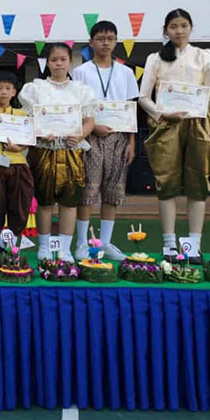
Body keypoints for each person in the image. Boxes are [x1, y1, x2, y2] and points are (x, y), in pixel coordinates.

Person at [139, 9, 210, 262]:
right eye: (173, 26)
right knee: (167, 183)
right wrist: (163, 113)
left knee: (198, 184)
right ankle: (169, 244)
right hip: (167, 126)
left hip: (198, 125)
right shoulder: (155, 58)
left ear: (191, 27)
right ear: (166, 30)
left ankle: (194, 245)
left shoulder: (204, 56)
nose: (179, 30)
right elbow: (143, 98)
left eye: (183, 25)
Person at [19, 42, 96, 262]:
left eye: (63, 59)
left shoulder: (81, 90)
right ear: (47, 63)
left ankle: (64, 248)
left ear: (70, 61)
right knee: (44, 201)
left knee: (69, 201)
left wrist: (81, 135)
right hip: (44, 149)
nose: (58, 64)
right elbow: (29, 119)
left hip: (71, 150)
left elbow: (90, 120)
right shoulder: (35, 88)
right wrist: (40, 132)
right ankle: (44, 247)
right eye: (54, 60)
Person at [72, 20, 139, 260]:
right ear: (91, 43)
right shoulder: (81, 72)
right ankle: (82, 243)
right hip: (90, 136)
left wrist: (131, 142)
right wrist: (92, 126)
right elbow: (76, 106)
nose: (105, 43)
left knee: (113, 191)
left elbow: (131, 107)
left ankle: (106, 243)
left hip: (119, 137)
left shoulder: (126, 72)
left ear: (116, 41)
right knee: (87, 191)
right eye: (100, 39)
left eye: (110, 38)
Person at [0, 71, 34, 255]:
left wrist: (19, 148)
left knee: (18, 205)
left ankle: (12, 245)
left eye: (8, 88)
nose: (3, 92)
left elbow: (29, 139)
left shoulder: (22, 115)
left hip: (18, 165)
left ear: (15, 92)